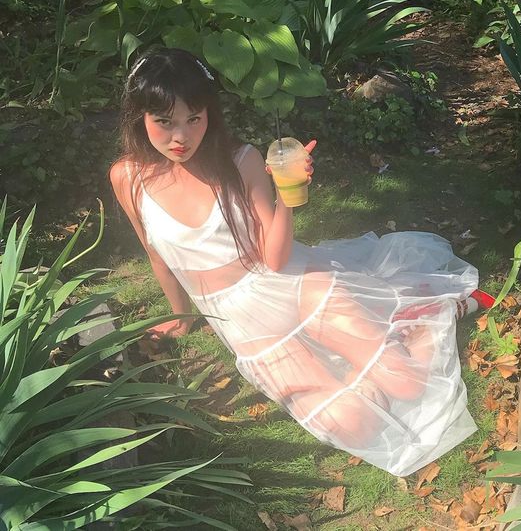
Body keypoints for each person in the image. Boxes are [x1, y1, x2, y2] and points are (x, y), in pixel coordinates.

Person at [110, 47, 493, 477]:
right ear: (139, 117)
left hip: (292, 282)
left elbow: (274, 259)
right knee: (351, 420)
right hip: (244, 325)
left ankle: (433, 312)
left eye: (193, 118)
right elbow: (155, 252)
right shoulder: (128, 177)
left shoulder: (241, 160)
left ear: (209, 114)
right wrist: (180, 316)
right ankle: (390, 329)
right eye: (165, 122)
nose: (181, 136)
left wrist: (287, 192)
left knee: (409, 383)